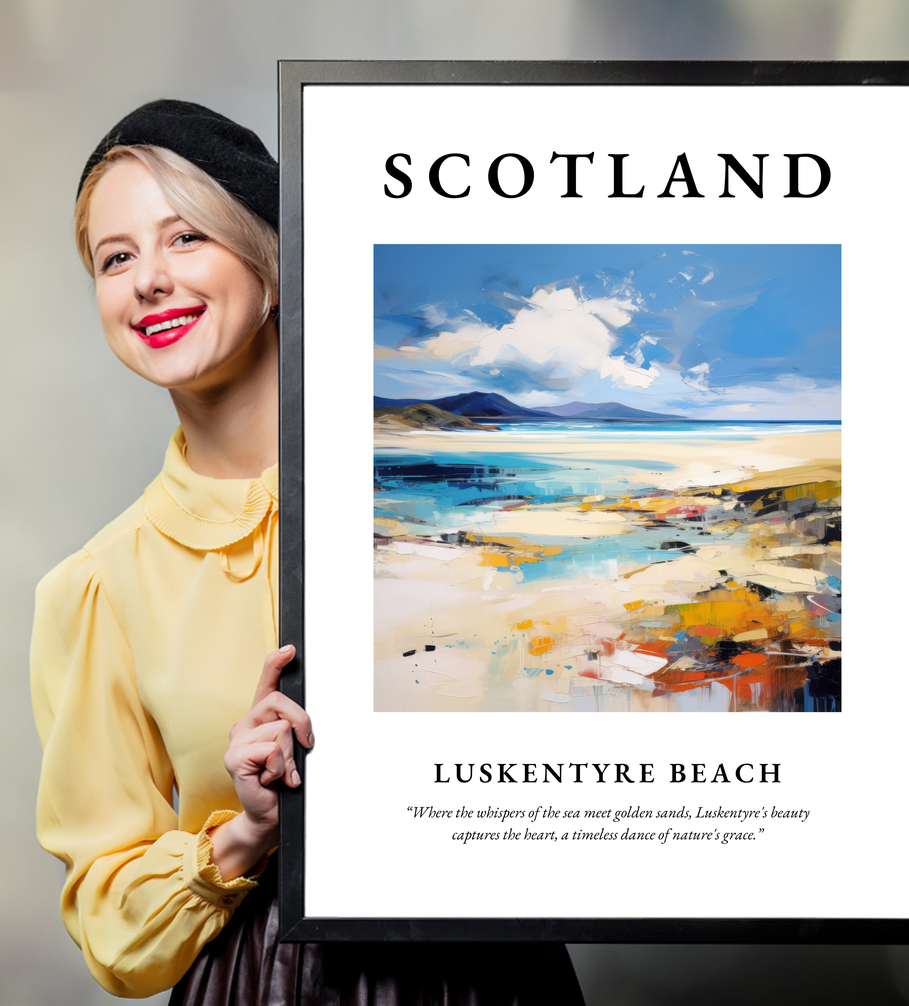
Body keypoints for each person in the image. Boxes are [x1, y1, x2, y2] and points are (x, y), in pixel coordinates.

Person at [30, 100, 585, 1004]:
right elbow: (110, 925)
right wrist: (245, 832)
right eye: (116, 257)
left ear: (273, 264)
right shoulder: (97, 587)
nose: (148, 281)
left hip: (493, 973)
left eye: (186, 239)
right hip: (263, 981)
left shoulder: (440, 502)